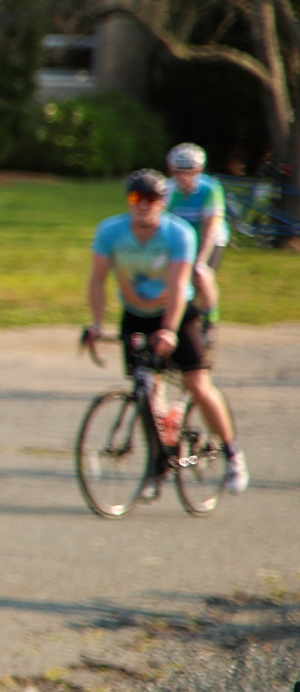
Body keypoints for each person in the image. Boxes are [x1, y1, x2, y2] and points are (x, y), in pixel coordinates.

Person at [87, 167, 246, 495]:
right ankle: (158, 464)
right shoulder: (111, 231)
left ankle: (232, 454)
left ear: (162, 202)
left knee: (196, 382)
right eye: (137, 197)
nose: (143, 204)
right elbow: (97, 279)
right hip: (135, 315)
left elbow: (177, 285)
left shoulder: (179, 234)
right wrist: (97, 324)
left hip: (177, 314)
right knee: (146, 390)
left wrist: (170, 330)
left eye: (152, 198)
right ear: (129, 201)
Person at [167, 143, 229, 315]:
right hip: (183, 239)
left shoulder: (210, 189)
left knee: (201, 273)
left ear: (199, 170)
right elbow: (163, 221)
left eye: (190, 171)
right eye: (179, 171)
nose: (184, 176)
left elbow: (211, 228)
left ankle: (211, 317)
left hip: (211, 238)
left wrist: (201, 259)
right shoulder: (168, 189)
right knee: (177, 277)